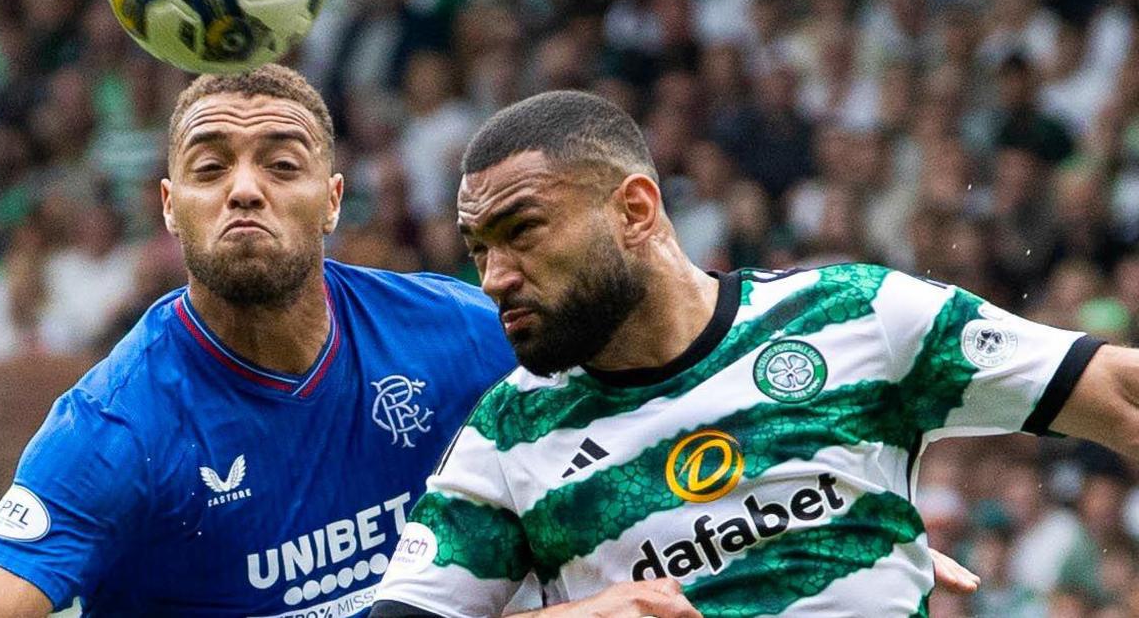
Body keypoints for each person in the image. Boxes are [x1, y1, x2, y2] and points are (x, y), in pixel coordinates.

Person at [372, 90, 1138, 617]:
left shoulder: (856, 316)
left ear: (635, 209)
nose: (495, 277)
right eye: (479, 249)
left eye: (523, 232)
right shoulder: (509, 436)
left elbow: (1120, 394)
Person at [0, 65, 516, 616]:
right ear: (171, 207)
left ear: (333, 201)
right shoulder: (116, 427)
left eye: (282, 165)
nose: (246, 190)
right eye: (210, 168)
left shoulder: (458, 333)